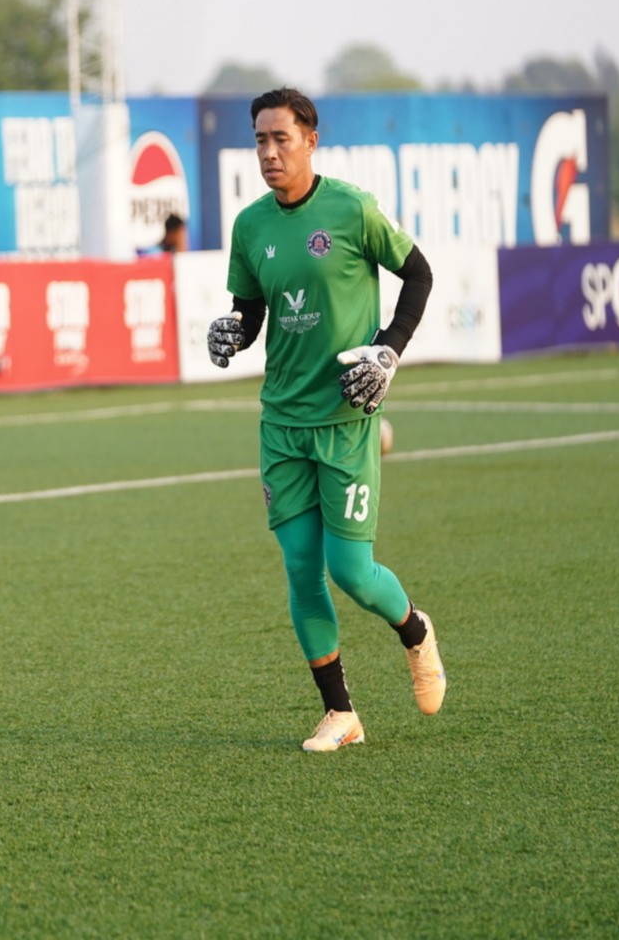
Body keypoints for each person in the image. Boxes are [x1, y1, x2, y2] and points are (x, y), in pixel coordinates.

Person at [207, 87, 442, 753]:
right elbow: (251, 311)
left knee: (351, 571)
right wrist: (233, 331)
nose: (269, 152)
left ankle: (415, 630)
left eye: (281, 138)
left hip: (344, 417)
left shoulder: (351, 209)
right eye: (259, 140)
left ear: (311, 140)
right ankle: (341, 714)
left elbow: (419, 275)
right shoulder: (250, 226)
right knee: (302, 569)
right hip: (281, 424)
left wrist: (388, 349)